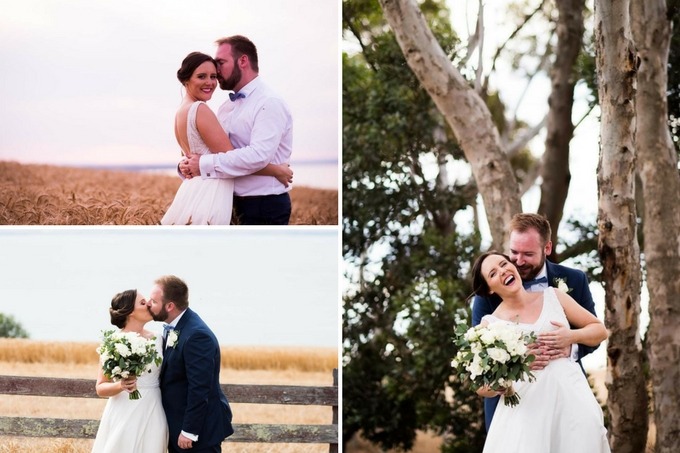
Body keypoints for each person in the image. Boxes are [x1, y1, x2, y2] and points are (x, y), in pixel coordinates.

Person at [471, 251, 610, 452]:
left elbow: (600, 330)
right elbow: (481, 387)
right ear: (489, 289)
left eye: (503, 264)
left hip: (573, 404)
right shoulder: (489, 327)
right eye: (493, 273)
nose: (502, 271)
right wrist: (515, 368)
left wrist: (570, 336)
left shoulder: (554, 296)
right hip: (527, 415)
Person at [471, 213, 599, 430]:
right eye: (513, 252)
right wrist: (517, 363)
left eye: (528, 254)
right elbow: (482, 363)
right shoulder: (489, 293)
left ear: (547, 248)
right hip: (516, 409)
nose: (518, 261)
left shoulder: (574, 280)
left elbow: (595, 332)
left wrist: (570, 344)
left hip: (567, 398)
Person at [161, 51, 292, 225]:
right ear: (186, 79)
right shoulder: (200, 110)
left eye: (213, 76)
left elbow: (190, 158)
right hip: (210, 192)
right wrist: (276, 170)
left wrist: (185, 164)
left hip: (193, 190)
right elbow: (230, 155)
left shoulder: (180, 111)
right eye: (201, 76)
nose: (209, 82)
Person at [148, 275, 233, 452]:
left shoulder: (196, 336)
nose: (149, 304)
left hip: (198, 432)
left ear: (169, 306)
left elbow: (200, 387)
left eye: (154, 301)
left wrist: (190, 431)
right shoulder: (177, 327)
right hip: (177, 424)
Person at [92, 289, 168, 452]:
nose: (148, 304)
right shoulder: (113, 343)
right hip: (123, 411)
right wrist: (121, 385)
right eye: (142, 302)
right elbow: (100, 387)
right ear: (130, 312)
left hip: (153, 407)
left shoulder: (159, 339)